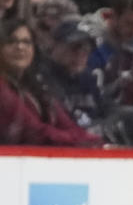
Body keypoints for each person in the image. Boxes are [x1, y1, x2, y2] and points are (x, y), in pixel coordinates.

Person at [0, 18, 101, 146]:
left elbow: (66, 123)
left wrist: (93, 140)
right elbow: (36, 132)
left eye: (27, 42)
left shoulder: (35, 84)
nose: (20, 47)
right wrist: (82, 140)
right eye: (11, 42)